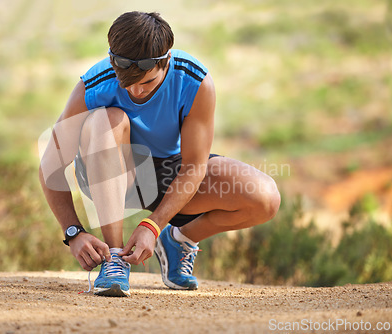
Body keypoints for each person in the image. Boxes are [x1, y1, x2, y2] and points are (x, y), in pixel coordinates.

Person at [39, 11, 281, 297]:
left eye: (147, 82)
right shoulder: (92, 86)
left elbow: (193, 167)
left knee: (264, 198)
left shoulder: (194, 81)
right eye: (126, 83)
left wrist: (153, 226)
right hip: (110, 171)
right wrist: (73, 232)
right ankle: (115, 259)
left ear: (166, 62)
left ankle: (178, 241)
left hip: (171, 172)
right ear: (114, 62)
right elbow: (50, 165)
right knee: (109, 120)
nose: (136, 91)